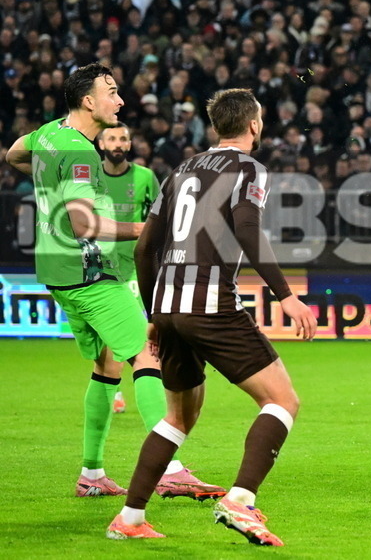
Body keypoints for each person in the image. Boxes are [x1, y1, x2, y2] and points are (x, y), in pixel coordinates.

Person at [106, 88, 318, 544]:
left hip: (168, 302)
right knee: (282, 401)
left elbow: (146, 248)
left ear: (215, 127)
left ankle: (130, 519)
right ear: (254, 125)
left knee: (178, 417)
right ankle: (241, 501)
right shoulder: (249, 169)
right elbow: (246, 229)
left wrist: (155, 314)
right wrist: (286, 296)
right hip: (210, 302)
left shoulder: (180, 170)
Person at [5, 63, 222, 500]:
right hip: (88, 273)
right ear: (89, 101)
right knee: (148, 351)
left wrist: (48, 187)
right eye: (112, 92)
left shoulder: (48, 134)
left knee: (107, 366)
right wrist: (149, 229)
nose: (120, 101)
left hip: (56, 272)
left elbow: (12, 154)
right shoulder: (82, 153)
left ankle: (92, 472)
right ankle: (170, 468)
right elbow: (85, 224)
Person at [97, 122, 161, 413]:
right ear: (101, 144)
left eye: (123, 138)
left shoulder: (146, 177)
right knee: (105, 340)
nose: (118, 144)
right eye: (112, 138)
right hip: (98, 269)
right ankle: (117, 387)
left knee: (138, 333)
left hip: (134, 268)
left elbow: (159, 218)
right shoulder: (89, 177)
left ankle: (149, 384)